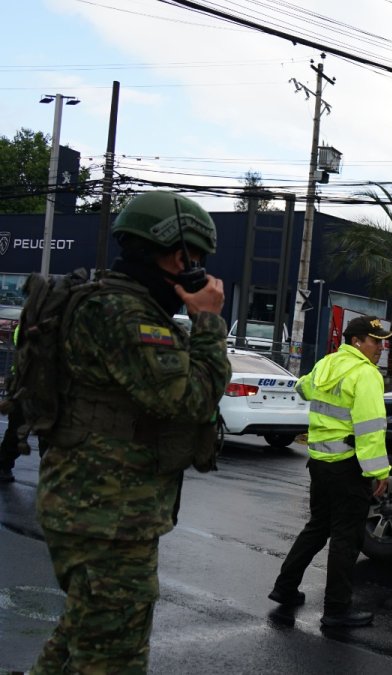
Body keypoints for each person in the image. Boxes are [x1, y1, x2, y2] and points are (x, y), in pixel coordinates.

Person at [31, 191, 230, 674]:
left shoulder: (114, 301)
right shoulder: (125, 314)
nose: (200, 270)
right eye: (195, 258)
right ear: (177, 256)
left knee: (77, 640)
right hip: (108, 519)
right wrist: (208, 321)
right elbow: (190, 400)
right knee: (112, 660)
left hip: (97, 511)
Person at [270, 315, 392, 628]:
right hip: (348, 467)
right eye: (375, 341)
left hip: (320, 464)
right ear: (356, 342)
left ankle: (285, 588)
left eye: (381, 341)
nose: (381, 347)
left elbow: (302, 386)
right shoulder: (365, 374)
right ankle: (337, 610)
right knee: (346, 538)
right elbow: (370, 429)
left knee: (317, 527)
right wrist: (378, 471)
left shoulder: (327, 363)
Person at [0, 323, 24, 483]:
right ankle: (3, 465)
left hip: (25, 381)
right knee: (17, 428)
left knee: (16, 428)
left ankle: (4, 466)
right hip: (25, 381)